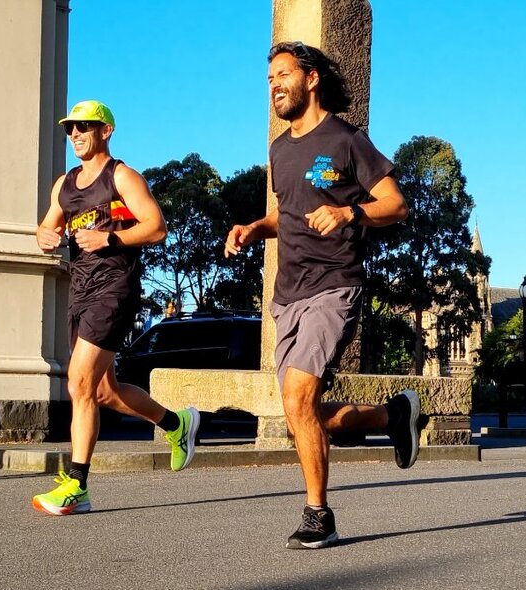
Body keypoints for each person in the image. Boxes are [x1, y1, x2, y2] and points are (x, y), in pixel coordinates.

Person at [225, 42, 419, 549]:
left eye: (283, 75)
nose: (275, 86)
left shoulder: (346, 139)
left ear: (311, 80)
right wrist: (253, 227)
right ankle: (392, 415)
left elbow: (396, 205)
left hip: (334, 285)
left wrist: (348, 212)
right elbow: (286, 214)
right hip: (287, 293)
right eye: (269, 80)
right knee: (300, 414)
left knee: (298, 397)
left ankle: (319, 515)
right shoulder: (279, 150)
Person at [33, 100, 200, 515]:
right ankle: (177, 423)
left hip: (115, 288)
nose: (75, 134)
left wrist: (110, 239)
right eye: (70, 128)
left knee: (79, 383)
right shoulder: (65, 185)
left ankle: (77, 485)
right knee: (104, 390)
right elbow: (47, 225)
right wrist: (43, 236)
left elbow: (156, 228)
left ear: (105, 131)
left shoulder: (122, 177)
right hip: (81, 291)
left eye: (84, 127)